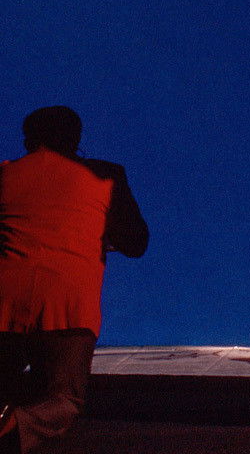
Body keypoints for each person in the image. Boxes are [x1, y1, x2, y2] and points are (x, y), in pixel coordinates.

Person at [0, 107, 148, 453]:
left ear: (27, 139)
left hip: (4, 303)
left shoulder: (5, 175)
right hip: (68, 306)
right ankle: (10, 428)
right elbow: (135, 242)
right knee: (64, 400)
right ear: (76, 139)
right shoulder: (106, 176)